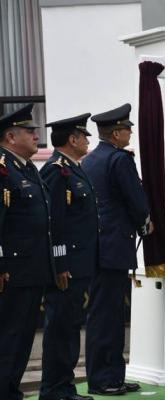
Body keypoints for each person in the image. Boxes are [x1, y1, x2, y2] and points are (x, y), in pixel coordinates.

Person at [82, 103, 153, 395]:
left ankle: (110, 376)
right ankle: (104, 379)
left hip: (98, 245)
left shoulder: (90, 159)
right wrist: (146, 221)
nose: (130, 133)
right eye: (127, 129)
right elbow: (135, 199)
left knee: (104, 314)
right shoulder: (120, 160)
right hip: (113, 245)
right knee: (107, 316)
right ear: (116, 133)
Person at [39, 113, 97, 400]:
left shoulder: (75, 168)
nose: (88, 140)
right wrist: (60, 264)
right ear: (72, 139)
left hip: (81, 264)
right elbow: (54, 223)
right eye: (84, 135)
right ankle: (54, 390)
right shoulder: (56, 170)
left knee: (70, 328)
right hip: (67, 267)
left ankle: (64, 388)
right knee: (61, 329)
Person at [0, 104, 57, 400]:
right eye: (30, 131)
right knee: (8, 338)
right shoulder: (2, 170)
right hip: (11, 273)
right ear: (10, 136)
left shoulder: (26, 169)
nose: (37, 135)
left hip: (32, 271)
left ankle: (11, 391)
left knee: (22, 340)